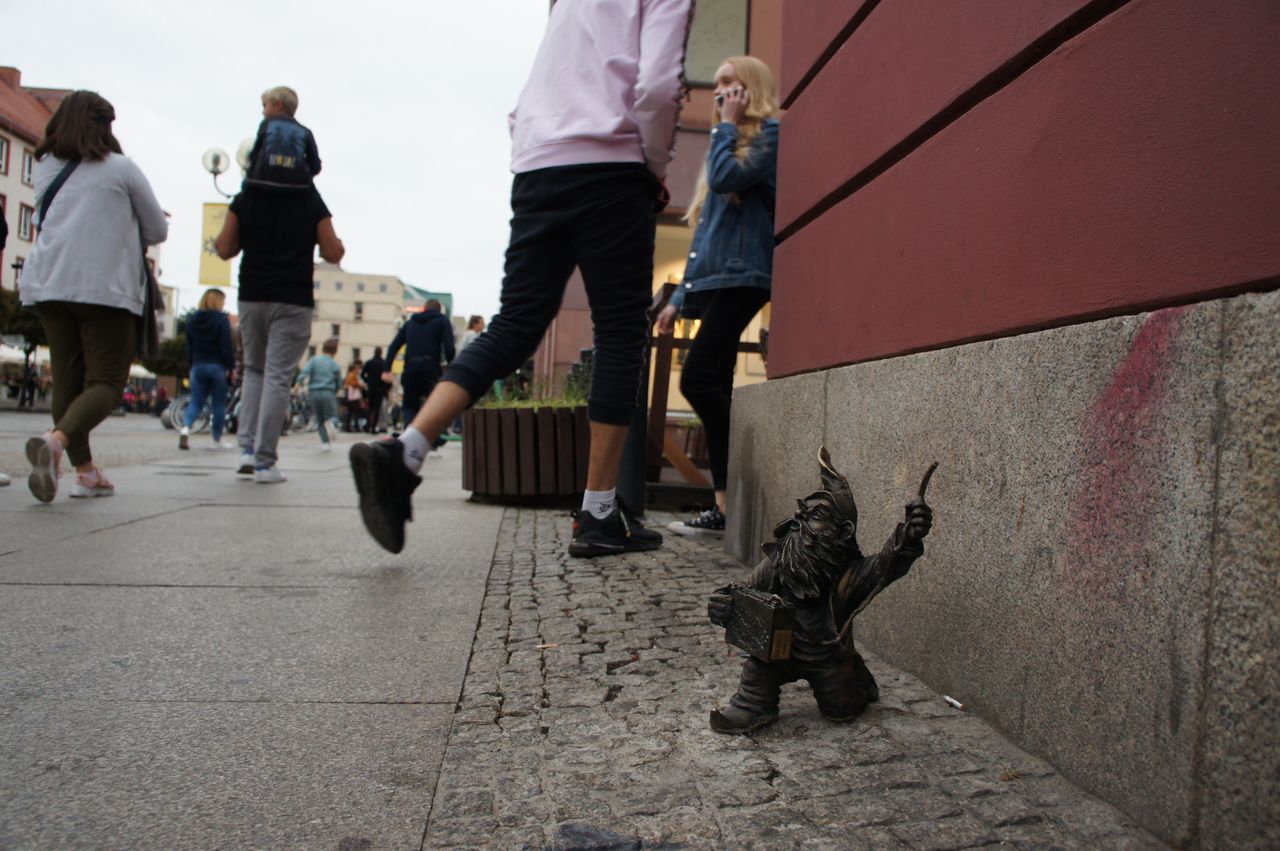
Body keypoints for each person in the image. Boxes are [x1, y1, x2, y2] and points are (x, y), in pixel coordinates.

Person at [349, 0, 694, 556]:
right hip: (612, 163)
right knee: (621, 332)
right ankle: (599, 510)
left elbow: (534, 91)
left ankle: (407, 449)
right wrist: (652, 166)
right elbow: (657, 87)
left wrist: (535, 147)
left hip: (539, 163)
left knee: (514, 323)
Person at [19, 90, 168, 502]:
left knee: (67, 384)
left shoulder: (46, 165)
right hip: (104, 289)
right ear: (105, 127)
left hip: (49, 285)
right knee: (105, 382)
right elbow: (157, 229)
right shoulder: (121, 168)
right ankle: (55, 441)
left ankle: (85, 472)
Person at [657, 56, 780, 539]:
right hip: (712, 280)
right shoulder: (722, 144)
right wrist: (675, 300)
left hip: (742, 277)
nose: (721, 91)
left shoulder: (768, 134)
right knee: (713, 384)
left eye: (730, 82)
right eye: (719, 84)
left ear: (751, 87)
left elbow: (731, 180)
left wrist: (726, 128)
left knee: (697, 380)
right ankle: (724, 510)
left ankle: (739, 491)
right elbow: (702, 234)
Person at [214, 182, 344, 484]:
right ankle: (265, 461)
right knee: (277, 376)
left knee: (254, 372)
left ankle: (246, 450)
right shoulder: (309, 197)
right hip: (292, 297)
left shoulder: (247, 195)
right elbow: (332, 251)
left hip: (252, 293)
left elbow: (223, 248)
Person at [382, 299, 454, 446]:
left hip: (410, 369)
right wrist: (451, 366)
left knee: (409, 405)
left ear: (423, 309)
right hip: (430, 369)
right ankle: (434, 440)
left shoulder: (410, 323)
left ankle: (409, 440)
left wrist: (386, 369)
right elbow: (449, 347)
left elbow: (393, 346)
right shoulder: (442, 321)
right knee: (433, 403)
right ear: (439, 310)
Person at [179, 288, 236, 450]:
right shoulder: (221, 320)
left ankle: (185, 429)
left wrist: (191, 364)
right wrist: (230, 367)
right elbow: (226, 346)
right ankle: (216, 440)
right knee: (219, 404)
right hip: (217, 366)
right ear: (218, 302)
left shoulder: (193, 320)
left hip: (198, 365)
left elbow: (190, 346)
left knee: (196, 401)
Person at [244, 86, 321, 190]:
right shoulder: (306, 132)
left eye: (265, 106)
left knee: (239, 202)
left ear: (278, 105)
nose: (263, 112)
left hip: (263, 184)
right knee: (319, 206)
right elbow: (316, 166)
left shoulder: (267, 124)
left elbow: (254, 156)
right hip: (296, 188)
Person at [296, 337, 342, 450]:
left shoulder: (314, 360)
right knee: (333, 416)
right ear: (335, 351)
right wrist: (336, 390)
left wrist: (298, 384)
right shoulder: (334, 364)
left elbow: (304, 373)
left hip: (314, 392)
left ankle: (325, 443)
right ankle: (331, 422)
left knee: (319, 418)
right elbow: (339, 381)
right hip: (328, 392)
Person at [360, 346, 389, 434]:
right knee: (377, 408)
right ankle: (373, 427)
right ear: (381, 353)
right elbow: (386, 377)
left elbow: (362, 374)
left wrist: (367, 381)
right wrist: (385, 387)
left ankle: (368, 424)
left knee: (370, 407)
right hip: (380, 389)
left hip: (371, 388)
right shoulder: (383, 363)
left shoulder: (369, 362)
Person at [342, 360, 366, 433]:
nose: (358, 370)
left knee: (350, 412)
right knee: (355, 412)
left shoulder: (349, 375)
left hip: (350, 396)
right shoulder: (352, 375)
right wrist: (362, 385)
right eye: (357, 369)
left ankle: (349, 426)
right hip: (353, 397)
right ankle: (354, 427)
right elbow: (355, 384)